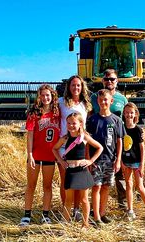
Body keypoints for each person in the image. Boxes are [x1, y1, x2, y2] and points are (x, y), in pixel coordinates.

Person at [52, 112, 103, 228]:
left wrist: (90, 161)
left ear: (80, 124)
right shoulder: (65, 138)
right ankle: (65, 222)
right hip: (70, 171)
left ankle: (85, 224)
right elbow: (54, 149)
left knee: (84, 200)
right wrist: (61, 161)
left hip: (82, 171)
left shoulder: (84, 137)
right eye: (68, 123)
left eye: (74, 123)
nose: (70, 126)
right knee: (68, 199)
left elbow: (100, 147)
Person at [20, 84, 61, 226]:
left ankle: (45, 215)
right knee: (31, 185)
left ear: (52, 96)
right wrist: (30, 154)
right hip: (36, 155)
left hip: (50, 155)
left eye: (47, 95)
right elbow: (30, 135)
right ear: (39, 97)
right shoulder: (34, 113)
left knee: (47, 186)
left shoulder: (57, 112)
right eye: (42, 95)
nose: (45, 98)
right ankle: (26, 215)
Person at [90, 69, 128, 209]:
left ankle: (122, 203)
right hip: (98, 144)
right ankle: (97, 210)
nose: (109, 81)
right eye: (107, 79)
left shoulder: (122, 99)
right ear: (102, 81)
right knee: (98, 184)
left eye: (112, 79)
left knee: (120, 174)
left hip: (116, 140)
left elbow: (127, 119)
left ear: (117, 81)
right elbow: (89, 115)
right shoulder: (94, 97)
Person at [87, 89, 125, 226]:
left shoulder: (116, 121)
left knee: (106, 187)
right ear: (97, 101)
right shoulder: (92, 120)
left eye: (106, 100)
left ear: (111, 101)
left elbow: (119, 141)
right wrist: (88, 159)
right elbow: (87, 141)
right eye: (101, 100)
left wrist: (118, 160)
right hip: (96, 160)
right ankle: (96, 217)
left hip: (110, 160)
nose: (103, 102)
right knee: (96, 187)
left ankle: (103, 214)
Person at [58, 75, 92, 220]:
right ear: (68, 87)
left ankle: (77, 209)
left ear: (82, 87)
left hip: (79, 147)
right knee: (66, 181)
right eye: (73, 85)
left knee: (79, 181)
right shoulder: (61, 102)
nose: (76, 88)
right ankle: (66, 208)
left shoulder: (86, 105)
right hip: (64, 147)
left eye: (78, 85)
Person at [122, 102, 145, 221]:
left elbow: (142, 148)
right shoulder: (122, 128)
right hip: (125, 161)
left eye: (131, 113)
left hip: (136, 162)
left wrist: (142, 164)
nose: (128, 115)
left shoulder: (138, 130)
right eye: (126, 112)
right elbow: (119, 146)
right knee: (128, 185)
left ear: (135, 114)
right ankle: (130, 210)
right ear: (123, 114)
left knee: (140, 186)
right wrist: (121, 162)